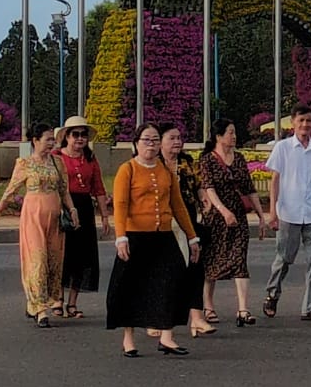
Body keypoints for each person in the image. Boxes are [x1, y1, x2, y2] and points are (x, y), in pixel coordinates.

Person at [106, 122, 200, 358]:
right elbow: (120, 205)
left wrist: (192, 237)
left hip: (163, 237)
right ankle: (128, 338)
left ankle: (167, 337)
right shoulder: (127, 169)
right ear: (136, 144)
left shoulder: (165, 170)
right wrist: (121, 238)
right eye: (146, 140)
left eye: (156, 140)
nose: (151, 145)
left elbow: (178, 205)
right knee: (130, 285)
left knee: (172, 281)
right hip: (136, 236)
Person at [0, 122, 79, 327]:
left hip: (55, 219)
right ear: (35, 140)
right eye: (47, 139)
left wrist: (72, 210)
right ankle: (40, 309)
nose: (51, 143)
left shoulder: (57, 163)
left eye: (52, 139)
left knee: (53, 262)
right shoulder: (25, 164)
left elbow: (64, 190)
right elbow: (10, 191)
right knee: (37, 261)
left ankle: (36, 302)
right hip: (33, 217)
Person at [263, 102, 311, 321]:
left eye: (308, 121)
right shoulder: (283, 147)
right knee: (284, 258)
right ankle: (273, 293)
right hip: (289, 212)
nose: (305, 124)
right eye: (301, 120)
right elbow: (275, 181)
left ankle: (309, 306)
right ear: (293, 123)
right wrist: (272, 212)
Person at [200, 118, 266, 327]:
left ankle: (243, 309)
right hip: (216, 218)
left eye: (234, 132)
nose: (234, 136)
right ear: (218, 136)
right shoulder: (207, 160)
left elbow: (249, 188)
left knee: (239, 260)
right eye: (230, 132)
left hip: (238, 217)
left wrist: (261, 215)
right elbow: (209, 188)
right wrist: (223, 211)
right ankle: (208, 307)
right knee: (212, 261)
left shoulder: (238, 158)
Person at [159, 122, 216, 338]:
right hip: (163, 224)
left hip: (188, 220)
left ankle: (197, 318)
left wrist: (203, 197)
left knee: (194, 268)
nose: (176, 142)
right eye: (171, 138)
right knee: (165, 273)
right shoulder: (153, 165)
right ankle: (158, 318)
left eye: (178, 137)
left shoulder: (187, 162)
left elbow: (198, 185)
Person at [53, 115, 110, 318]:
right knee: (62, 253)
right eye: (75, 135)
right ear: (66, 137)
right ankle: (57, 299)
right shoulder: (56, 156)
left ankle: (72, 303)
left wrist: (104, 216)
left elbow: (99, 189)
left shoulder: (90, 160)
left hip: (84, 207)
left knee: (81, 256)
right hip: (62, 206)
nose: (79, 139)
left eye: (83, 135)